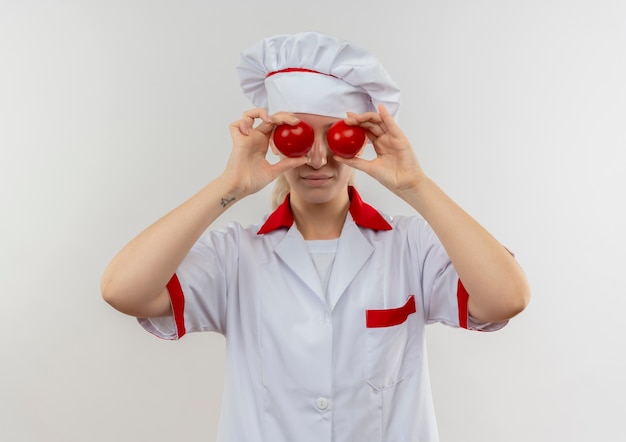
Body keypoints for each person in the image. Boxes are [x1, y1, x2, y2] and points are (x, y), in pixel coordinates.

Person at [101, 31, 530, 442]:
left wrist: (414, 185)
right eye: (298, 136)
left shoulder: (409, 246)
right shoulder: (235, 254)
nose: (318, 157)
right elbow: (123, 289)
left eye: (338, 137)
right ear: (273, 141)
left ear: (361, 142)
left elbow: (506, 297)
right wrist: (228, 186)